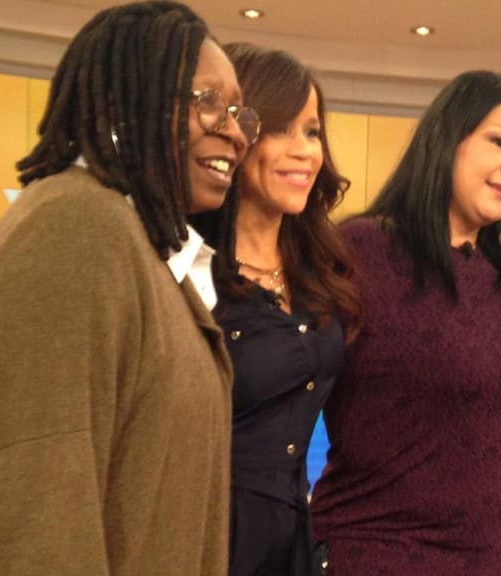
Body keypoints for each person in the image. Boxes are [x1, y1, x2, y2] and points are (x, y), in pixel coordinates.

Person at [0, 2, 259, 575]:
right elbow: (31, 505)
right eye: (209, 102)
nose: (236, 132)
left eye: (239, 111)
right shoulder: (73, 227)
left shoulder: (133, 241)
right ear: (127, 101)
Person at [309, 70, 501, 575]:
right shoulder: (362, 251)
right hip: (376, 557)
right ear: (446, 137)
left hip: (492, 561)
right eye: (499, 142)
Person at [191, 43, 361, 576]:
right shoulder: (187, 270)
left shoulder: (321, 268)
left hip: (293, 544)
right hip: (205, 542)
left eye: (312, 132)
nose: (305, 151)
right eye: (281, 129)